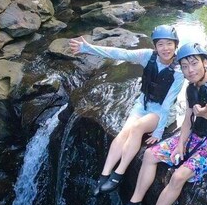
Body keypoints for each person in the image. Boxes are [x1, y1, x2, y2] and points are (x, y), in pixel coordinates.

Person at [110, 42, 207, 205]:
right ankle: (135, 203)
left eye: (194, 64)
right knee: (149, 154)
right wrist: (180, 144)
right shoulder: (191, 89)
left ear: (205, 62)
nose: (190, 70)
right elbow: (188, 119)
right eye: (185, 66)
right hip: (196, 135)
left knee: (179, 176)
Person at [69, 25, 185, 194]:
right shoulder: (147, 56)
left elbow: (167, 103)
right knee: (124, 132)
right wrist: (87, 48)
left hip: (160, 113)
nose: (165, 48)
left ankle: (118, 175)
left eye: (169, 44)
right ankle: (104, 174)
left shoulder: (178, 71)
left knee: (137, 128)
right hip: (143, 104)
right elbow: (119, 53)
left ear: (176, 45)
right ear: (155, 46)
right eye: (160, 44)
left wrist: (158, 132)